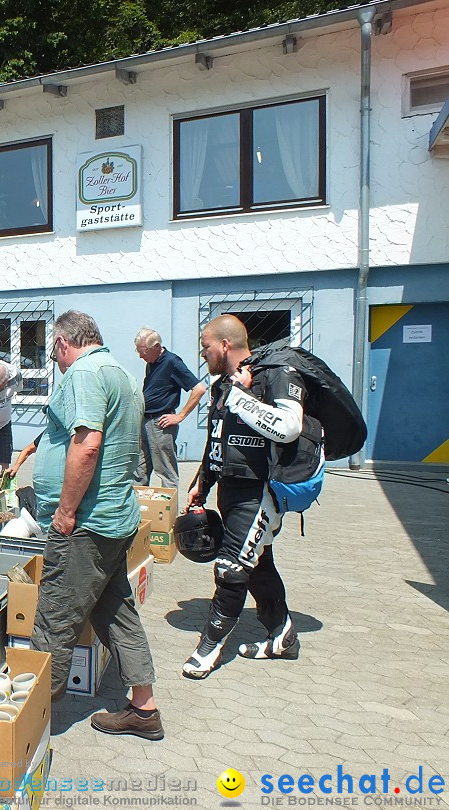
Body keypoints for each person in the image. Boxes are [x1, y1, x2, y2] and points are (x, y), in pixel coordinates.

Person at [30, 310, 163, 740]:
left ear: (64, 343)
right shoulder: (121, 372)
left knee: (55, 620)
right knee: (116, 612)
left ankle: (29, 723)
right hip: (113, 518)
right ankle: (144, 708)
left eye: (53, 348)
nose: (54, 357)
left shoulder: (86, 373)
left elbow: (87, 445)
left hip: (85, 524)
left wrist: (66, 512)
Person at [183, 314, 306, 679]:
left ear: (224, 345)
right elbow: (216, 441)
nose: (202, 353)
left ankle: (209, 650)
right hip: (229, 490)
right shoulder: (222, 385)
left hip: (260, 492)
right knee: (258, 565)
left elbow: (289, 427)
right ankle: (282, 636)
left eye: (205, 346)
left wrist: (242, 396)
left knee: (231, 567)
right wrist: (201, 483)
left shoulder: (275, 375)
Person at [133, 327, 207, 490]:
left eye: (143, 352)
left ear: (157, 346)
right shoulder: (151, 364)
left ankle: (167, 512)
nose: (140, 356)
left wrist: (180, 416)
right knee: (140, 471)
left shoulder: (172, 362)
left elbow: (199, 389)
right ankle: (142, 509)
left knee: (166, 472)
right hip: (145, 421)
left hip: (161, 423)